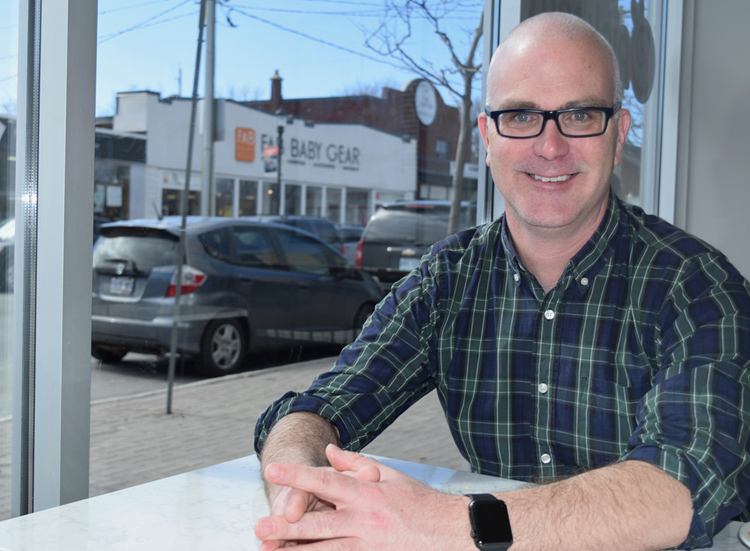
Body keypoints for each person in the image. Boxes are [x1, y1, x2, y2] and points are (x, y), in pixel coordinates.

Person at [253, 12, 750, 551]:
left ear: (619, 132)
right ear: (488, 136)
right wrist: (298, 487)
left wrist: (443, 520)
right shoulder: (447, 280)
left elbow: (685, 482)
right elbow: (315, 411)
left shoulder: (698, 285)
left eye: (580, 114)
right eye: (520, 115)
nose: (550, 146)